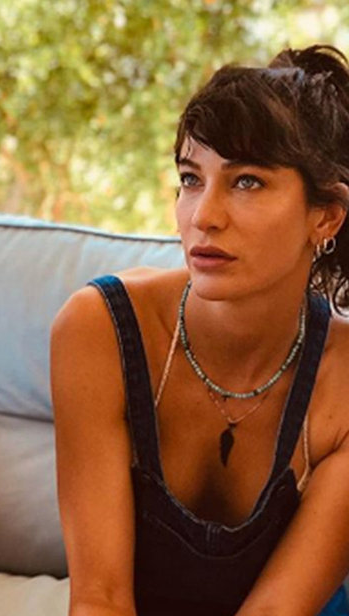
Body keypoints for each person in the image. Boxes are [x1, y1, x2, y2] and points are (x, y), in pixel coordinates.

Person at [51, 44, 349, 616]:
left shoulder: (342, 378)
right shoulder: (100, 329)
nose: (203, 216)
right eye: (191, 179)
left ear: (325, 216)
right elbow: (99, 599)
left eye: (247, 182)